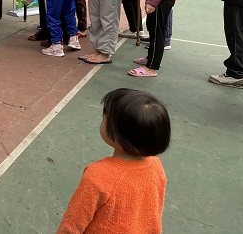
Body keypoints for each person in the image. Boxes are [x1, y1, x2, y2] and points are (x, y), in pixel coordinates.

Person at [57, 88, 171, 233]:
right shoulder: (156, 165)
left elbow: (72, 223)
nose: (103, 119)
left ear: (119, 134)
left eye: (105, 118)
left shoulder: (98, 176)